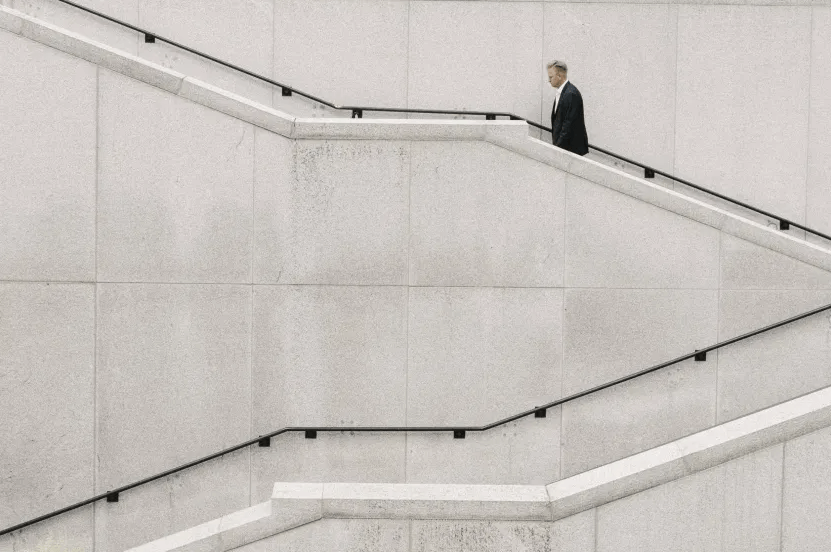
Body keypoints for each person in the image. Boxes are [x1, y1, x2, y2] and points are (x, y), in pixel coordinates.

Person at [547, 60, 589, 156]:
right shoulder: (564, 92)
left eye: (551, 77)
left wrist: (557, 148)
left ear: (559, 76)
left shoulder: (571, 94)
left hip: (570, 150)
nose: (549, 80)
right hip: (565, 149)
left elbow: (568, 125)